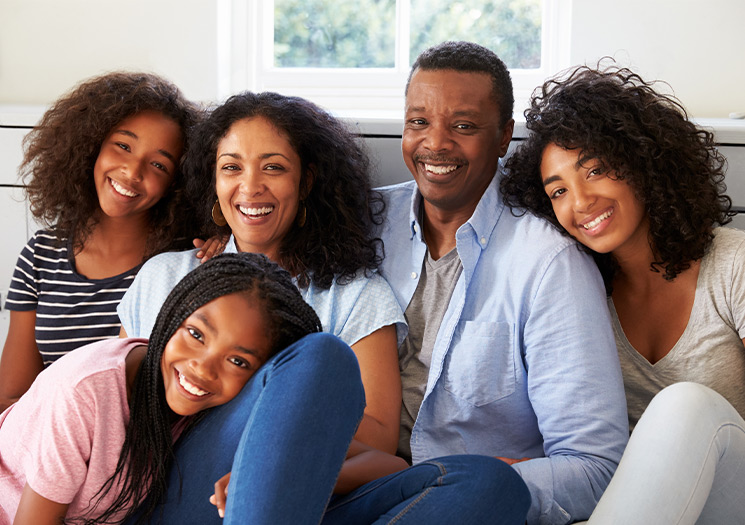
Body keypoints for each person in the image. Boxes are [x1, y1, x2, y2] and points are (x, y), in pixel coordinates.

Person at [121, 91, 531, 524]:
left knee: (492, 482)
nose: (250, 186)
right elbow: (122, 404)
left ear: (306, 181)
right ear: (214, 181)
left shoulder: (354, 293)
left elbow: (378, 441)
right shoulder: (165, 276)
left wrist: (276, 461)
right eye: (231, 168)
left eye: (273, 167)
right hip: (188, 491)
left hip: (312, 495)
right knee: (320, 355)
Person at [337, 41, 628, 525]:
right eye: (418, 122)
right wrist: (221, 235)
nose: (435, 143)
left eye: (464, 126)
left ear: (503, 137)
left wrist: (490, 482)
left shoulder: (549, 264)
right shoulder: (358, 223)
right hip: (353, 486)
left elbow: (594, 468)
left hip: (463, 503)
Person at [500, 63, 745, 523]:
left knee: (685, 403)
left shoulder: (735, 266)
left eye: (595, 170)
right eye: (557, 191)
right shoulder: (577, 295)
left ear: (643, 161)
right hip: (643, 505)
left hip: (733, 493)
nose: (580, 202)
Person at [0, 252, 366, 524]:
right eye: (195, 334)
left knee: (424, 483)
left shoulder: (220, 399)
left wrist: (262, 473)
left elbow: (385, 463)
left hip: (138, 514)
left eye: (237, 361)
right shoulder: (85, 392)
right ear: (174, 314)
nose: (202, 368)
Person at [0, 72, 200, 412]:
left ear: (176, 184)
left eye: (158, 164)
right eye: (123, 146)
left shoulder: (181, 262)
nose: (132, 172)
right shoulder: (41, 255)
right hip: (46, 442)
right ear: (91, 145)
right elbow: (10, 397)